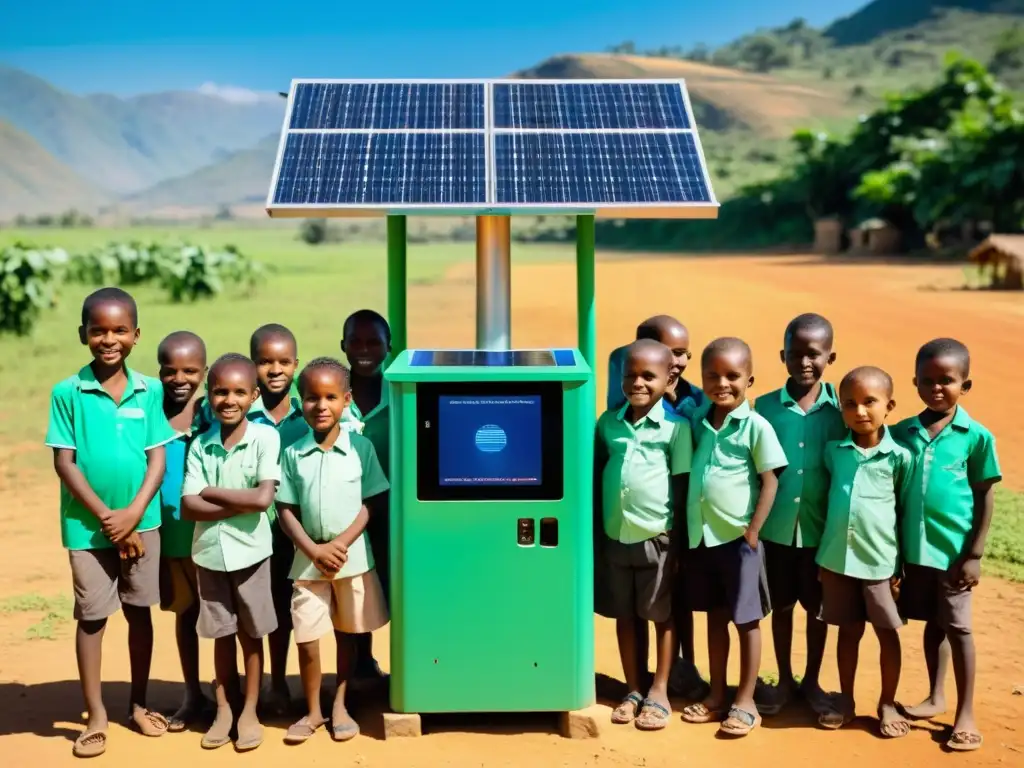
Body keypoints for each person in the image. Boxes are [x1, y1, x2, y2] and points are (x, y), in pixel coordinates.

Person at [45, 287, 176, 758]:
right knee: (93, 617)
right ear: (83, 334)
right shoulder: (68, 392)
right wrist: (107, 519)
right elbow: (65, 462)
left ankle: (137, 704)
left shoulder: (150, 389)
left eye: (119, 330)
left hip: (142, 524)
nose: (108, 339)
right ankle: (96, 713)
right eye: (98, 330)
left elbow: (157, 459)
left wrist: (134, 515)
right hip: (86, 527)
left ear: (136, 335)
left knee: (140, 612)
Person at [892, 339, 1001, 752]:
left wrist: (974, 554)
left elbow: (984, 494)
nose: (937, 388)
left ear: (965, 385)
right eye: (928, 380)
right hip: (913, 551)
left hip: (953, 554)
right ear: (915, 383)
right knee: (933, 623)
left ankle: (965, 712)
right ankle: (935, 696)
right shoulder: (903, 431)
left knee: (958, 628)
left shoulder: (976, 437)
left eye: (948, 381)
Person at [276, 357, 391, 744]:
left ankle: (339, 704)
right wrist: (312, 549)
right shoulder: (292, 454)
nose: (320, 406)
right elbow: (285, 508)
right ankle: (312, 710)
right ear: (300, 401)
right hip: (307, 565)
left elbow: (372, 502)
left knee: (346, 636)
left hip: (351, 560)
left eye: (329, 397)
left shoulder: (361, 448)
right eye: (311, 398)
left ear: (347, 400)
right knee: (307, 637)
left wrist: (338, 545)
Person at [680, 337, 787, 738]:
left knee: (747, 621)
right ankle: (716, 694)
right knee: (715, 618)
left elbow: (770, 480)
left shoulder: (756, 426)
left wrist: (754, 530)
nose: (721, 383)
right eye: (712, 375)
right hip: (703, 538)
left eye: (732, 376)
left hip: (739, 540)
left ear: (750, 379)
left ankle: (745, 701)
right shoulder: (698, 420)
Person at [181, 354, 281, 751]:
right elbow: (189, 507)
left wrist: (214, 493)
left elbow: (263, 499)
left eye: (240, 392)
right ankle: (225, 707)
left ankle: (250, 711)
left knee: (251, 634)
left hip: (252, 553)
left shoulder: (265, 437)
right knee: (221, 634)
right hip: (209, 553)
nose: (229, 400)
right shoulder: (201, 444)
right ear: (209, 393)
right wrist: (241, 500)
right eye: (220, 391)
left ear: (254, 396)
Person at [606, 314, 706, 698]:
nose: (677, 362)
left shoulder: (695, 400)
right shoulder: (617, 409)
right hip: (629, 529)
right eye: (669, 353)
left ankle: (683, 669)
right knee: (645, 609)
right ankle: (643, 682)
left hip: (671, 525)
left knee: (675, 604)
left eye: (682, 354)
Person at [595, 339, 691, 731]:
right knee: (626, 614)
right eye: (630, 375)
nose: (637, 383)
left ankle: (660, 691)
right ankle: (633, 688)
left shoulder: (676, 429)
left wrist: (680, 542)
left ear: (669, 378)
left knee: (661, 615)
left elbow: (682, 487)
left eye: (648, 376)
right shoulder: (608, 423)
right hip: (617, 536)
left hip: (658, 538)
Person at [753, 313, 845, 716]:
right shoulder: (765, 407)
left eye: (814, 354)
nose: (805, 362)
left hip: (820, 531)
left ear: (830, 356)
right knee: (782, 607)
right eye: (796, 354)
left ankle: (812, 681)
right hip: (775, 532)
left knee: (818, 610)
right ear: (782, 356)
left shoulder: (842, 411)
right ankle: (785, 680)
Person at [816, 366, 912, 738]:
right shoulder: (833, 453)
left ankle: (887, 702)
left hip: (879, 565)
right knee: (848, 631)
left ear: (889, 405)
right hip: (837, 560)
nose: (859, 412)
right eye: (850, 404)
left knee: (887, 633)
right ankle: (846, 700)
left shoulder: (899, 458)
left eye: (870, 402)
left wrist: (899, 567)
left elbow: (903, 512)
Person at [156, 331, 215, 732]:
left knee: (227, 616)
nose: (180, 379)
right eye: (170, 371)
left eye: (191, 371)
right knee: (186, 613)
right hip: (172, 539)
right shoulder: (149, 416)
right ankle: (192, 693)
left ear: (205, 372)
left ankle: (232, 696)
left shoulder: (216, 411)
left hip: (215, 538)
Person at [248, 323, 309, 715]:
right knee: (261, 608)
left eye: (284, 362)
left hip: (300, 532)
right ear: (252, 364)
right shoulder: (238, 411)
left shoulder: (310, 412)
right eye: (265, 362)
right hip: (252, 531)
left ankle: (293, 683)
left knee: (295, 605)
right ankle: (265, 684)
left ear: (296, 365)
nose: (275, 370)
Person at [340, 309, 393, 683]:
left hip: (392, 511)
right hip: (345, 514)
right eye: (355, 342)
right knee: (353, 588)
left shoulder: (401, 392)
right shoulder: (332, 394)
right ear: (342, 345)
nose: (364, 350)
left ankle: (406, 663)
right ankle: (359, 665)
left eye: (373, 342)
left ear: (388, 346)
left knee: (391, 582)